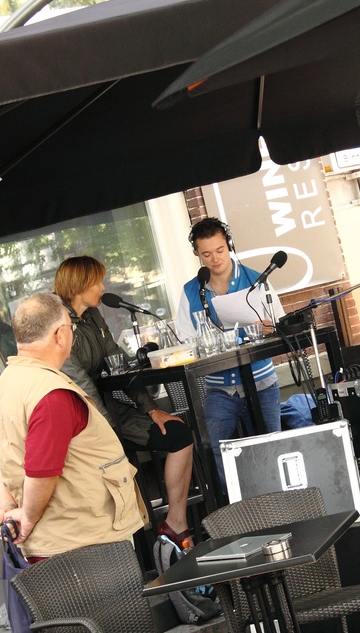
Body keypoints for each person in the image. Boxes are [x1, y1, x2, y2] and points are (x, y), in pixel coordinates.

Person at [0, 292, 146, 558]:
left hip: (47, 543)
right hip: (85, 542)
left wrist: (12, 510)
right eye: (71, 328)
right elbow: (41, 472)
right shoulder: (51, 394)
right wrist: (29, 517)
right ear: (60, 335)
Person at [54, 256, 196, 549]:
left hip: (109, 411)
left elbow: (118, 365)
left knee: (180, 434)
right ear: (80, 286)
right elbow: (81, 385)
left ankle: (175, 522)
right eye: (97, 282)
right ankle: (130, 547)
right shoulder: (59, 323)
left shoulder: (93, 317)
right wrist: (107, 429)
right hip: (81, 419)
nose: (103, 287)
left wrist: (152, 409)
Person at [174, 217, 286, 490]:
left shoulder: (256, 279)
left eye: (220, 250)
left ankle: (279, 504)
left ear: (229, 245)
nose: (215, 259)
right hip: (219, 390)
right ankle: (240, 502)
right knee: (212, 445)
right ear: (197, 254)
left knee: (273, 448)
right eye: (207, 254)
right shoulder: (191, 291)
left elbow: (280, 323)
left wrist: (268, 327)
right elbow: (185, 340)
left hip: (262, 383)